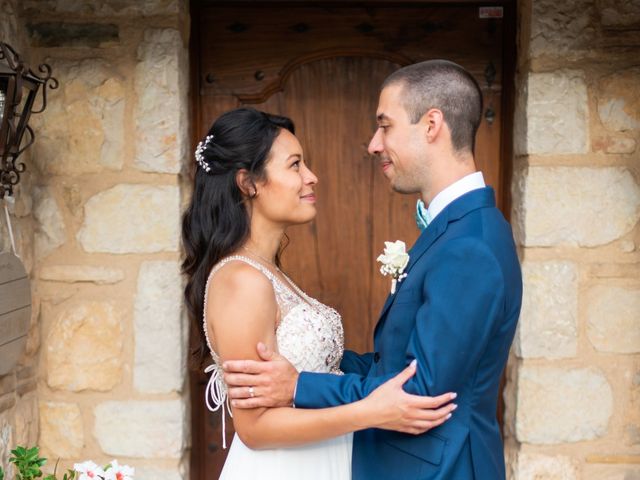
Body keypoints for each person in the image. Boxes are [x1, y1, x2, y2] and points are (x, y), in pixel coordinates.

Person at [222, 60, 523, 479]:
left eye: (386, 126)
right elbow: (399, 364)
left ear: (432, 124)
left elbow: (422, 393)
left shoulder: (469, 244)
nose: (373, 144)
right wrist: (314, 360)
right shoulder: (460, 232)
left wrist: (299, 387)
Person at [181, 107, 457, 479]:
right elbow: (255, 428)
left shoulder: (268, 273)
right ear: (249, 183)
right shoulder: (241, 280)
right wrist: (373, 411)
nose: (311, 177)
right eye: (295, 165)